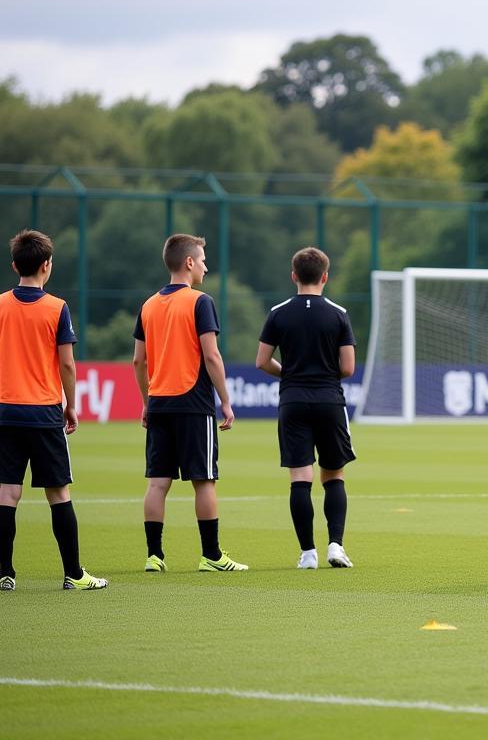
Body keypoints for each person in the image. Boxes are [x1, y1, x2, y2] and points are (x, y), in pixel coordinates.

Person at [0, 230, 108, 591]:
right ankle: (74, 574)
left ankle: (5, 573)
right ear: (47, 265)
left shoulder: (0, 305)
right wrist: (72, 404)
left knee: (6, 494)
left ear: (15, 265)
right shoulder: (57, 308)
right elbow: (67, 365)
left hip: (5, 412)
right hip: (44, 412)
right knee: (58, 494)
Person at [132, 234, 246, 572]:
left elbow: (139, 361)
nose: (207, 267)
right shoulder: (200, 302)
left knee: (157, 482)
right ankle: (211, 556)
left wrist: (146, 401)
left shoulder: (148, 305)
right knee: (204, 480)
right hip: (194, 403)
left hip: (161, 404)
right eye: (204, 260)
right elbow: (211, 355)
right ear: (190, 263)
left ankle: (154, 556)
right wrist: (225, 400)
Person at [256, 247, 357, 570]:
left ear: (294, 276)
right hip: (329, 400)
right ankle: (336, 547)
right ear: (325, 276)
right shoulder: (338, 313)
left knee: (300, 477)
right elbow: (349, 367)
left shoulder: (278, 312)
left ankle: (307, 554)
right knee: (334, 475)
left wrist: (291, 373)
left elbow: (261, 361)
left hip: (293, 401)